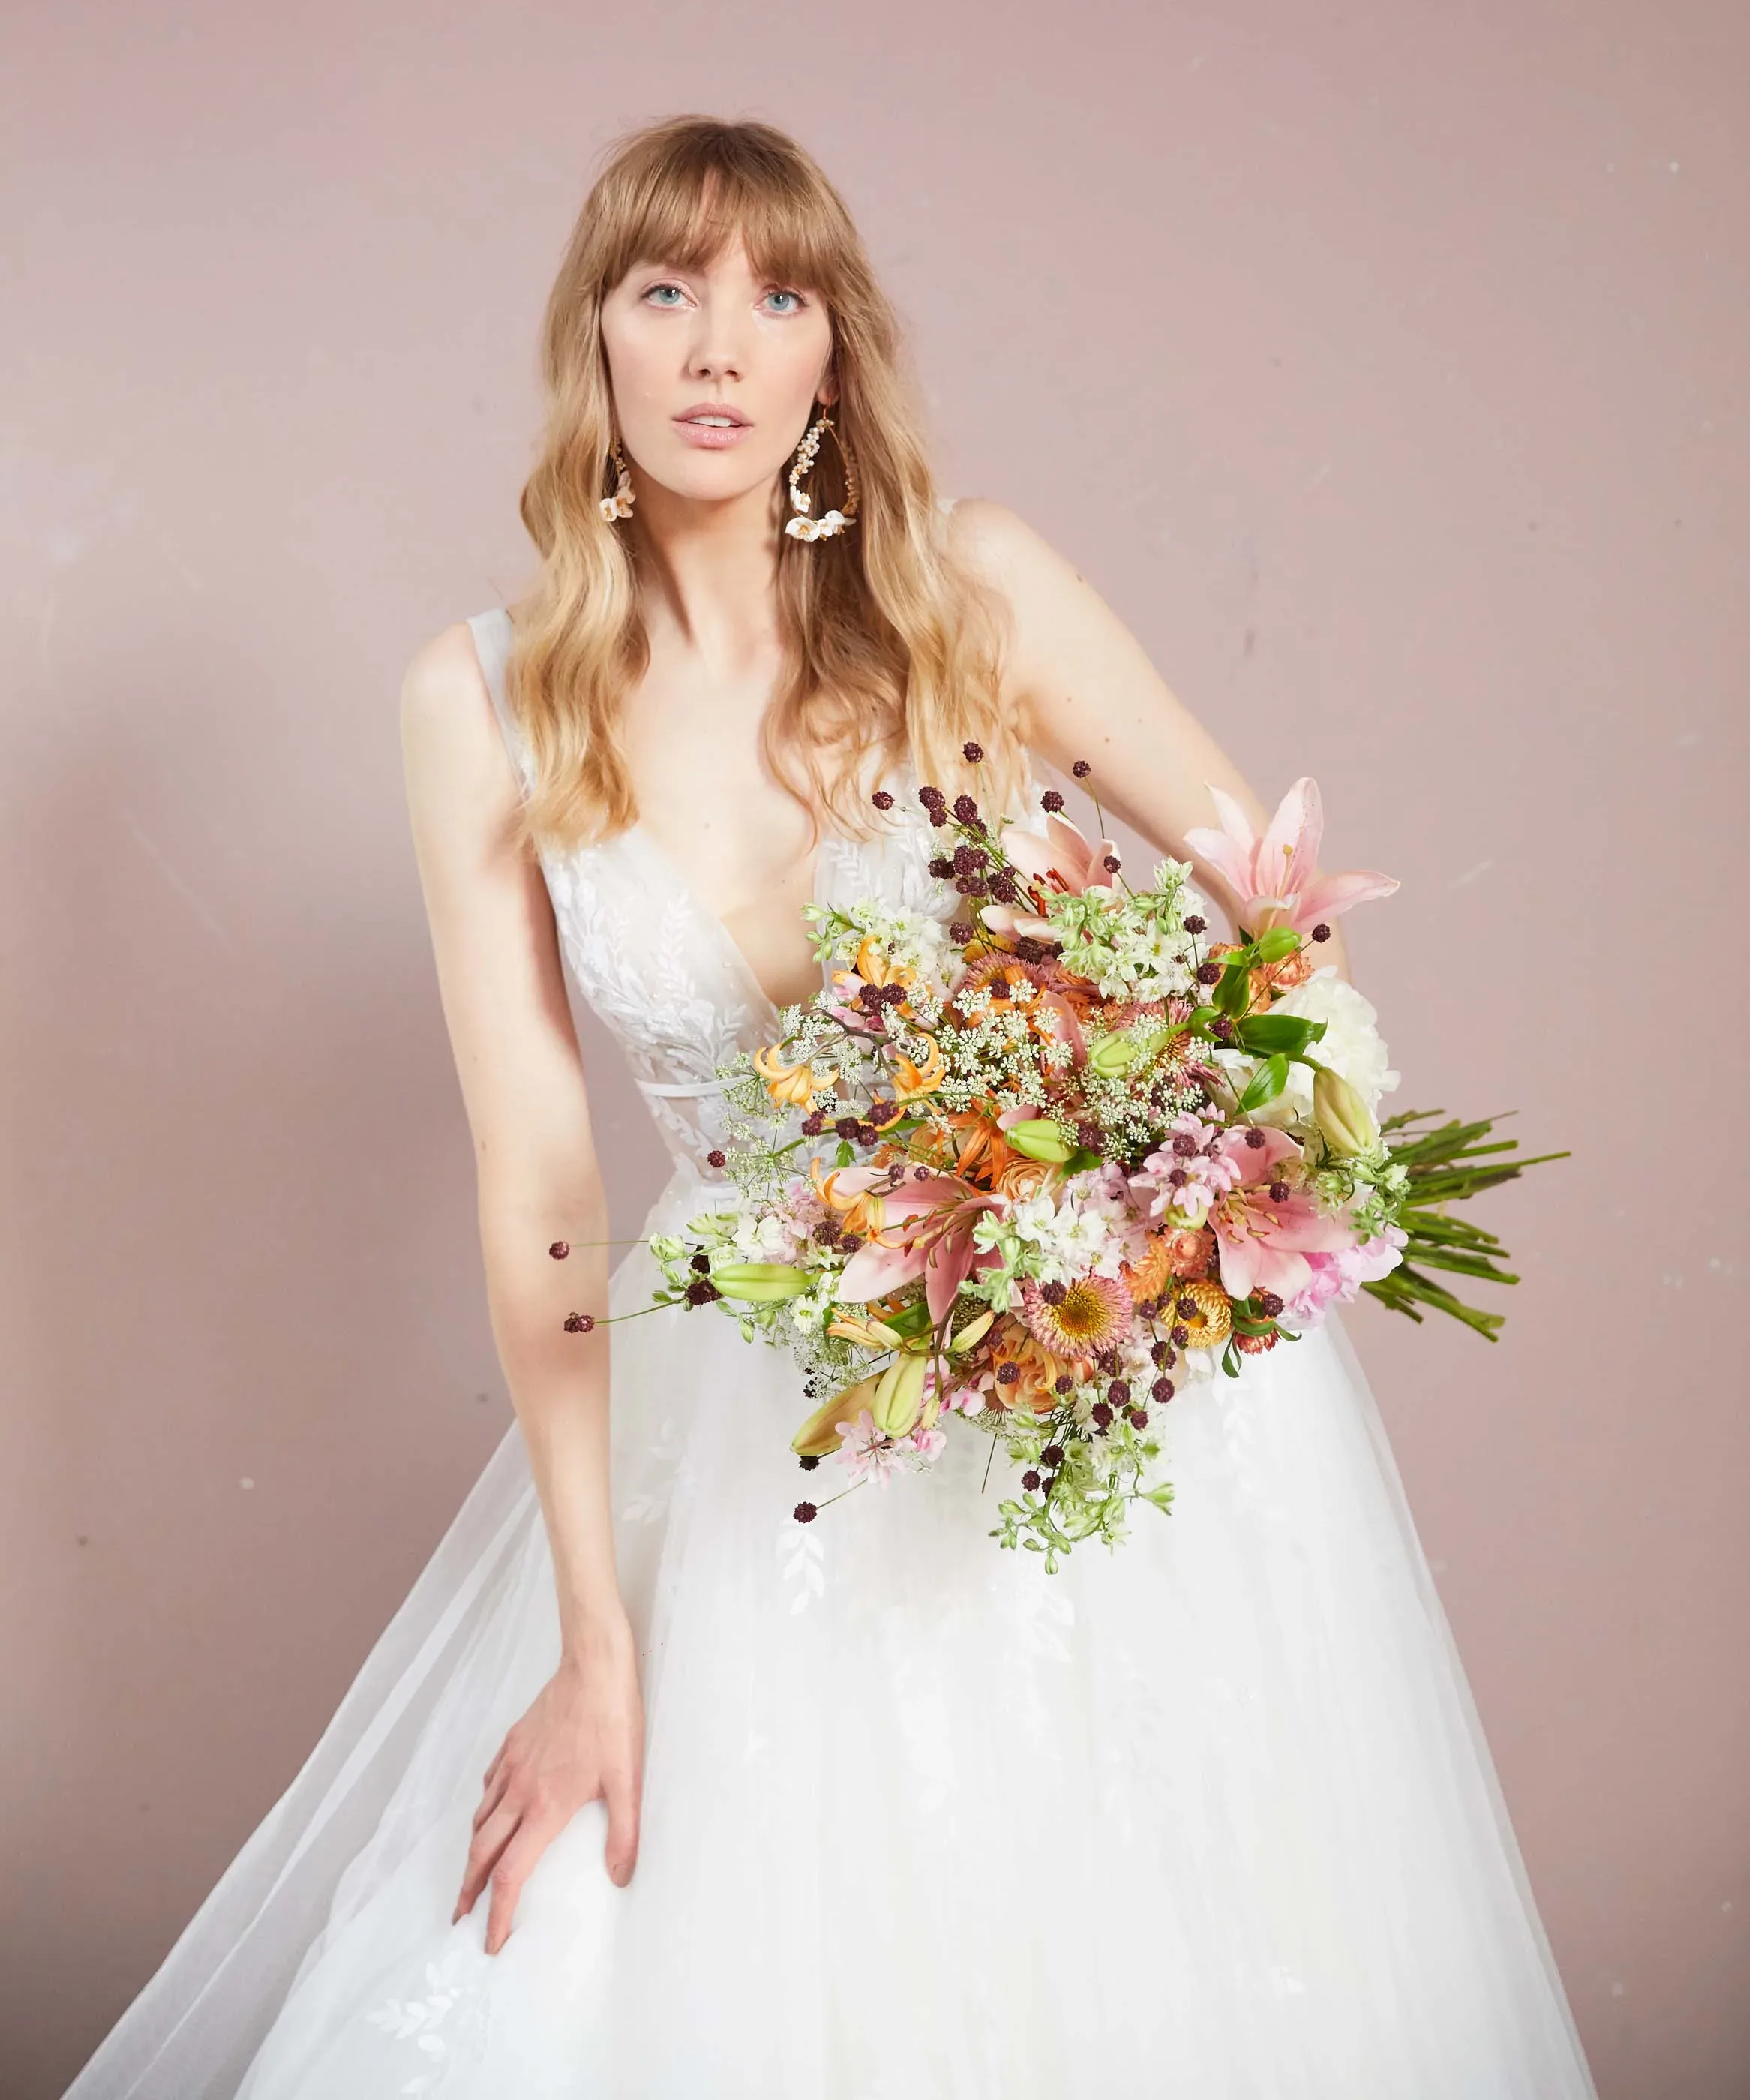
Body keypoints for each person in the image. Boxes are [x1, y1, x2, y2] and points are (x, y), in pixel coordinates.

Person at [66, 116, 1597, 2098]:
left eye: (775, 295)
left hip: (1102, 1378)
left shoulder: (976, 589)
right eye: (667, 291)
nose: (720, 345)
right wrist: (593, 1642)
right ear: (595, 338)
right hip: (761, 1403)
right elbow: (538, 1186)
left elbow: (1278, 916)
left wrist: (1147, 1178)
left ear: (830, 352)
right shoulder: (482, 700)